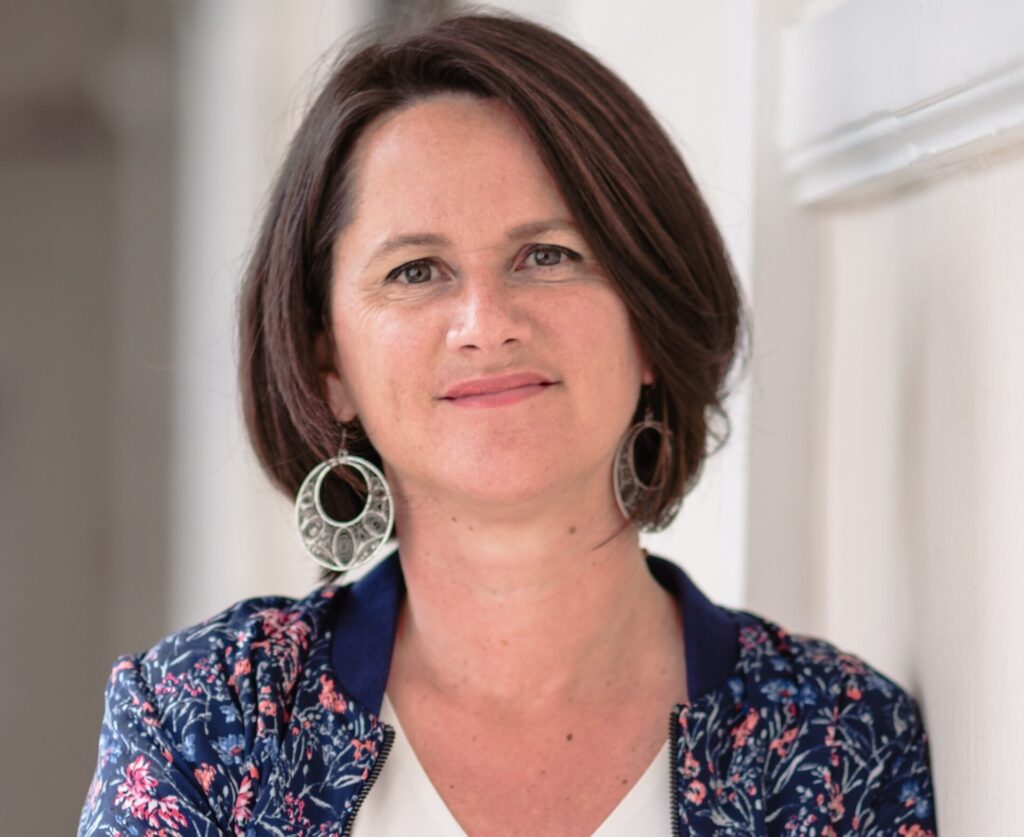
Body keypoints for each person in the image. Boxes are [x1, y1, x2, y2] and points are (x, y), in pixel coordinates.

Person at [78, 11, 937, 836]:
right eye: (417, 270)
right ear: (328, 364)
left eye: (549, 255)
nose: (487, 321)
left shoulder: (839, 741)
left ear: (650, 321)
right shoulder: (208, 722)